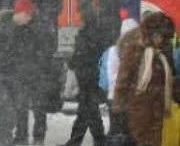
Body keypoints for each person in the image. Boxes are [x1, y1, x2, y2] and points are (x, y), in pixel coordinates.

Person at [0, 0, 45, 146]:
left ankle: (12, 140)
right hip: (4, 82)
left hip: (16, 81)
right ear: (20, 12)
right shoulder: (4, 31)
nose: (30, 18)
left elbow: (27, 56)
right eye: (28, 14)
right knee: (5, 121)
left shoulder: (24, 31)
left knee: (11, 119)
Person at [113, 12, 175, 146]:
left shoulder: (162, 55)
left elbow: (168, 81)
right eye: (157, 35)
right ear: (149, 34)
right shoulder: (135, 52)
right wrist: (119, 110)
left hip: (158, 113)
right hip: (140, 112)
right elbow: (122, 82)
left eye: (162, 36)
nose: (160, 39)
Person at [59, 11, 106, 146]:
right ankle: (96, 140)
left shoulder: (84, 35)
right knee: (88, 111)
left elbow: (81, 55)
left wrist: (71, 62)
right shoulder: (97, 35)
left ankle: (81, 141)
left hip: (86, 78)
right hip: (93, 77)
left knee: (87, 111)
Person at [104, 18, 139, 136]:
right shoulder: (114, 51)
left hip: (128, 97)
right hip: (116, 96)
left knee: (125, 132)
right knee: (117, 131)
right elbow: (112, 75)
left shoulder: (136, 50)